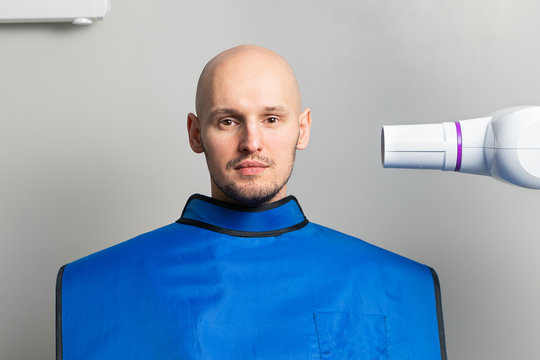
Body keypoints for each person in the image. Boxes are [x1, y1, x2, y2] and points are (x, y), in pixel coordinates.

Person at [56, 45, 447, 359]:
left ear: (302, 128)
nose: (252, 142)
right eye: (228, 120)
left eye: (272, 119)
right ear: (195, 134)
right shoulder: (98, 286)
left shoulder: (397, 284)